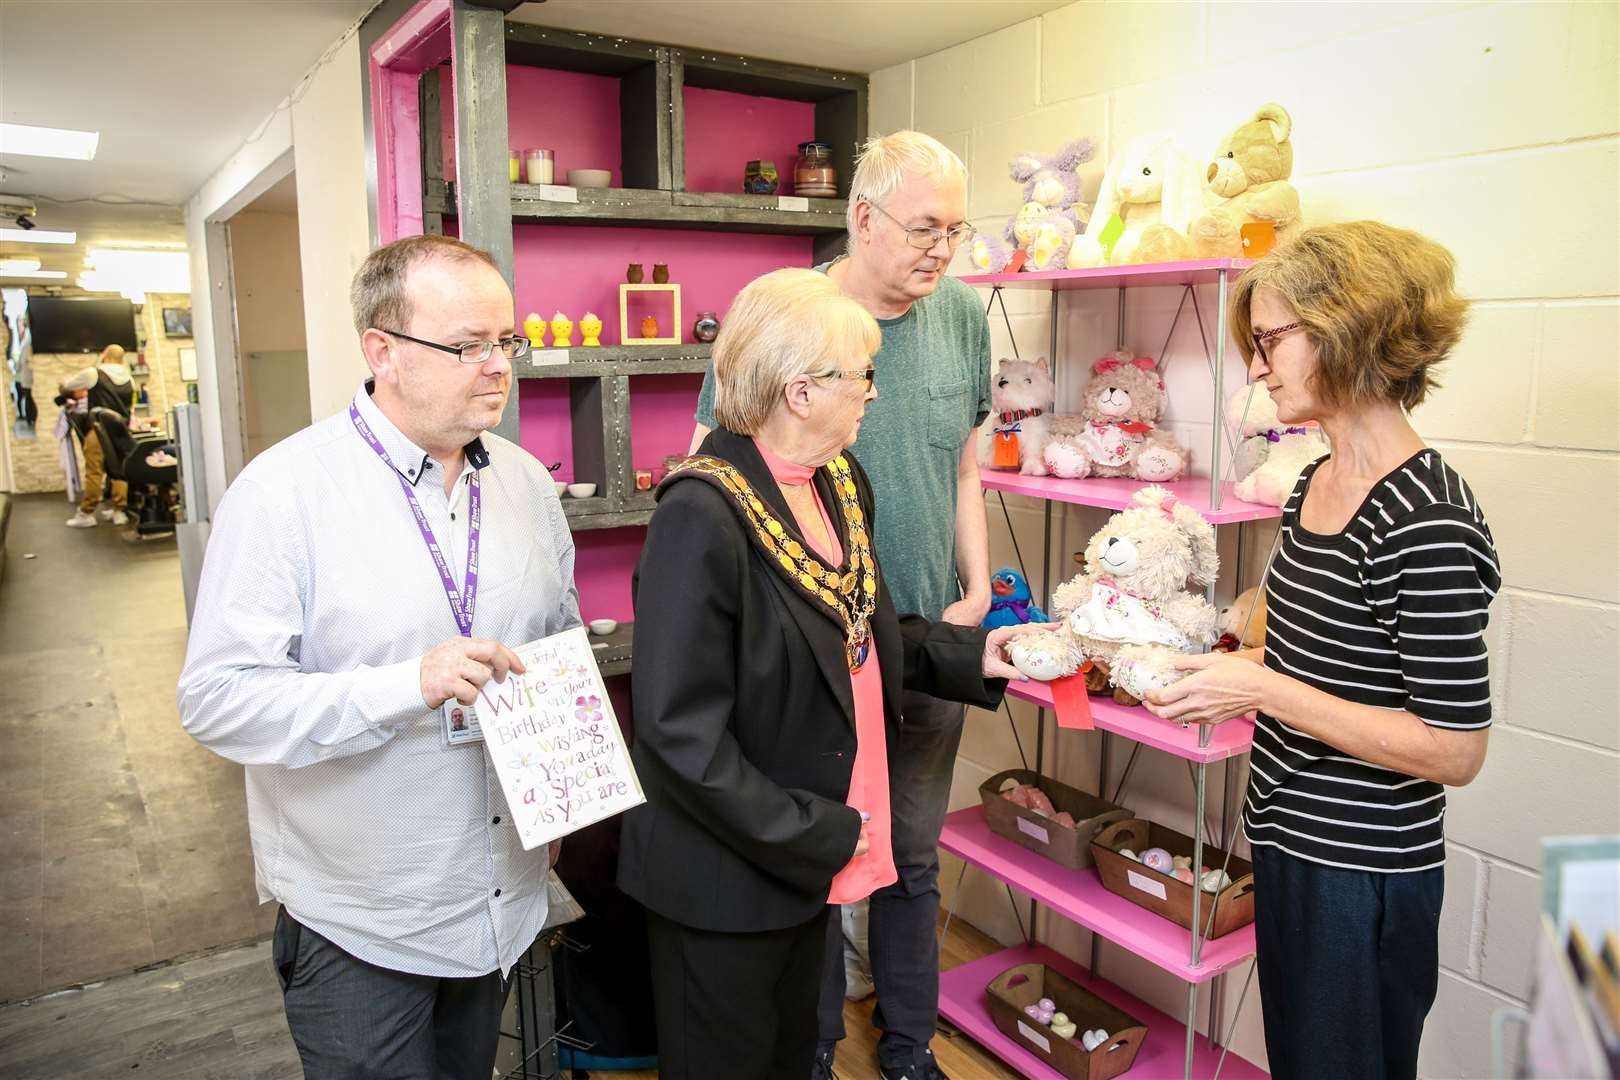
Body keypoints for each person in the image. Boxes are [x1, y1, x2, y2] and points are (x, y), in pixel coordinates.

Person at [622, 268, 1040, 1080]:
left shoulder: (841, 482)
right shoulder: (699, 515)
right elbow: (679, 733)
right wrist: (818, 832)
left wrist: (976, 652)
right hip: (731, 877)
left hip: (804, 853)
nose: (872, 396)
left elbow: (867, 628)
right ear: (800, 391)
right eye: (861, 376)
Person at [178, 233, 580, 1080]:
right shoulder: (284, 494)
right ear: (382, 351)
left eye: (506, 342)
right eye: (468, 345)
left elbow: (553, 639)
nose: (498, 367)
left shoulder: (526, 483)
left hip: (498, 903)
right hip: (363, 920)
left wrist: (558, 802)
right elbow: (216, 699)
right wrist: (408, 686)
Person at [1142, 221, 1500, 1080]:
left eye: (1269, 341)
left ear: (1348, 328)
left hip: (1362, 876)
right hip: (1290, 842)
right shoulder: (1313, 480)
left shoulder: (1428, 520)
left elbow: (1453, 748)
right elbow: (1320, 665)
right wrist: (1228, 670)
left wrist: (1261, 691)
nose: (1257, 367)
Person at [691, 130, 990, 1080]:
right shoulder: (793, 318)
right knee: (819, 855)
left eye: (956, 228)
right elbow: (723, 463)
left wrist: (975, 590)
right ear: (863, 219)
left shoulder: (964, 319)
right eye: (924, 227)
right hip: (818, 651)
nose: (942, 249)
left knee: (911, 850)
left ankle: (908, 1046)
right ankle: (813, 1048)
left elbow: (965, 464)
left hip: (929, 640)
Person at [66, 344, 136, 527]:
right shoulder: (130, 379)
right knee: (119, 469)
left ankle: (86, 512)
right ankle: (119, 511)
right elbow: (131, 407)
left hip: (98, 430)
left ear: (105, 355)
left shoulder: (94, 373)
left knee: (94, 471)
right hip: (121, 431)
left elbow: (68, 385)